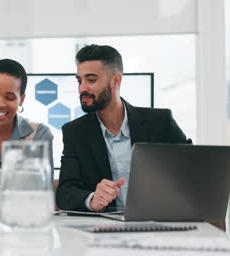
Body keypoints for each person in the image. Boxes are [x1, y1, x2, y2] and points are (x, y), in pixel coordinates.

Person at [56, 44, 191, 212]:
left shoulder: (160, 122)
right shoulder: (75, 132)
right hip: (106, 231)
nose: (82, 88)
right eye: (79, 80)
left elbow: (192, 170)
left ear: (115, 81)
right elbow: (64, 192)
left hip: (158, 223)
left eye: (91, 80)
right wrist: (92, 200)